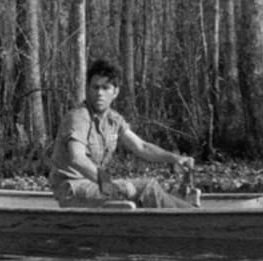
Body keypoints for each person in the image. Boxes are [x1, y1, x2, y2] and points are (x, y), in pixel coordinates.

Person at [50, 58, 198, 209]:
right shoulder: (79, 117)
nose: (99, 93)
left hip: (95, 185)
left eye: (105, 87)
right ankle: (192, 222)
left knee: (149, 186)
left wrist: (175, 158)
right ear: (88, 89)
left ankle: (193, 215)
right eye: (95, 87)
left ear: (115, 92)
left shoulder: (113, 120)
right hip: (73, 189)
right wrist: (109, 185)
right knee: (140, 189)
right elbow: (77, 158)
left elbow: (142, 147)